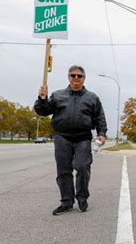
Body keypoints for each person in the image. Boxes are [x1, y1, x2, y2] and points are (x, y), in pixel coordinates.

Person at [34, 65, 107, 215]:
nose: (76, 78)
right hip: (62, 137)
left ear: (83, 79)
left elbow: (100, 117)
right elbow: (43, 111)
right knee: (64, 170)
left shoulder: (92, 97)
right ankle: (66, 202)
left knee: (82, 166)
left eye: (79, 76)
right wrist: (42, 99)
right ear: (68, 77)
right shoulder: (57, 95)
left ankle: (82, 198)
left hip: (83, 137)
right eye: (72, 75)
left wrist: (102, 133)